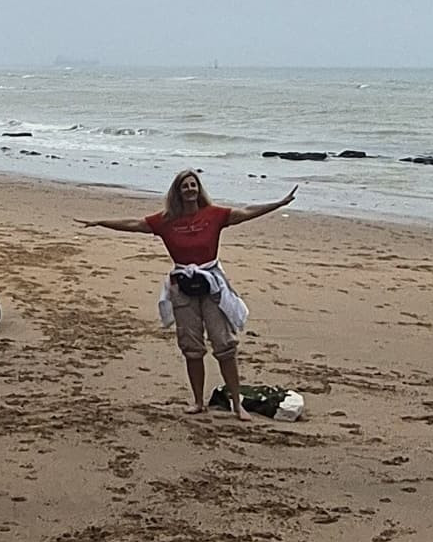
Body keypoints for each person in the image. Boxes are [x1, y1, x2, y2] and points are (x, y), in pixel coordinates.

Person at [87, 166, 296, 419]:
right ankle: (198, 402)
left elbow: (246, 212)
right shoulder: (166, 220)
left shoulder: (214, 214)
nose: (189, 189)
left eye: (193, 185)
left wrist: (279, 203)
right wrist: (101, 222)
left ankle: (237, 404)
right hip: (182, 288)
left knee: (224, 345)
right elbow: (134, 223)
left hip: (212, 286)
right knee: (191, 347)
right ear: (177, 191)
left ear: (199, 190)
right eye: (185, 186)